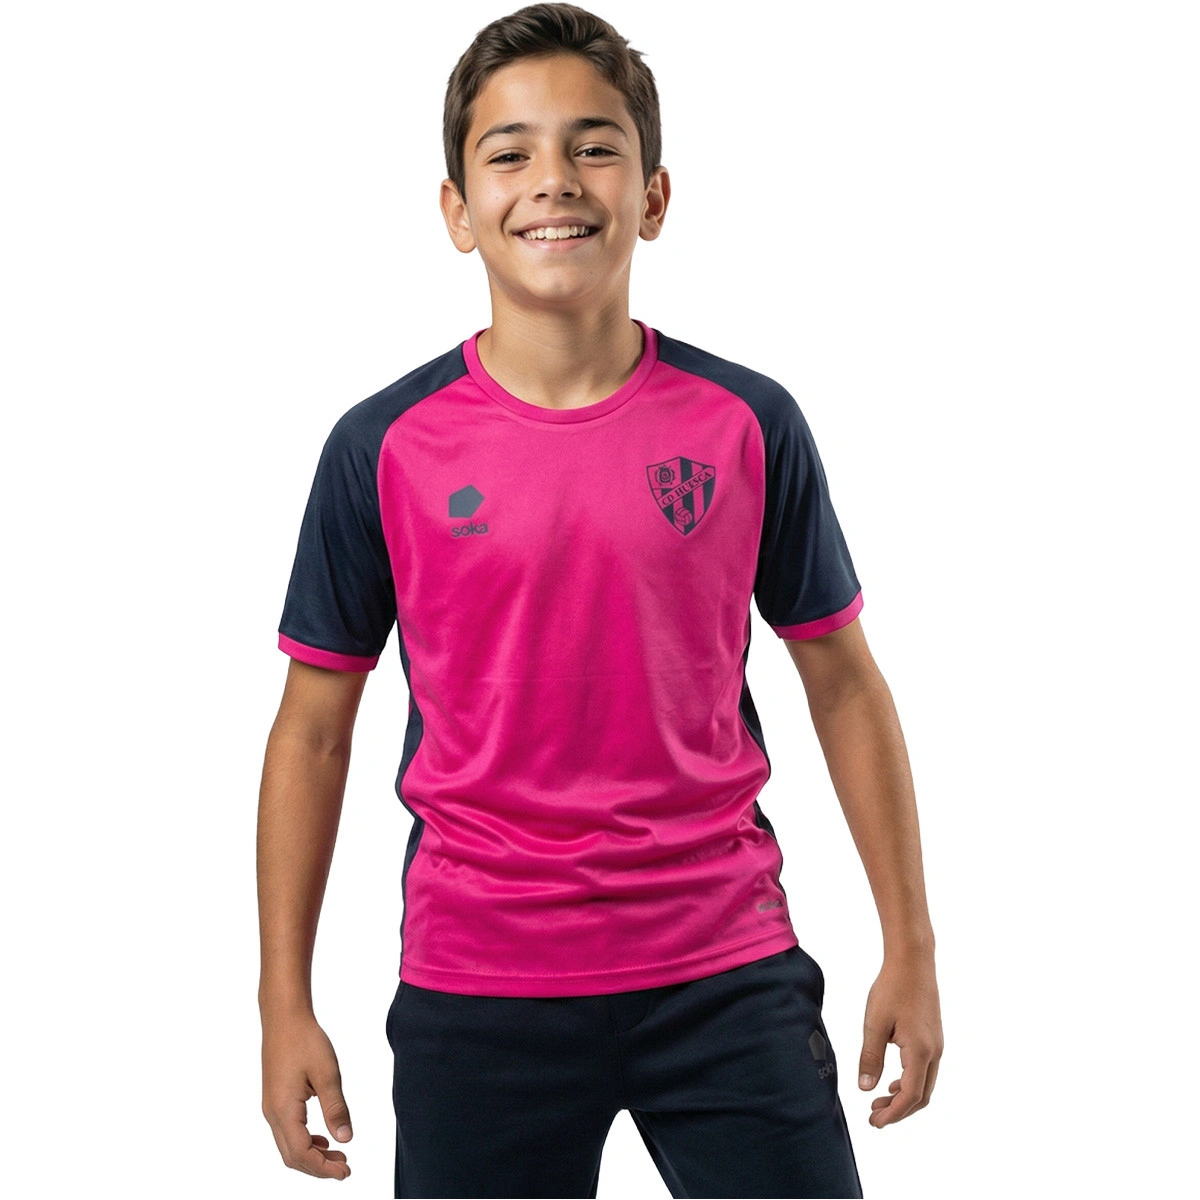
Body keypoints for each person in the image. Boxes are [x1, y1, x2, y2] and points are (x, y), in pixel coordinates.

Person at [257, 4, 942, 1196]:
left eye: (594, 145)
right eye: (509, 152)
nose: (554, 181)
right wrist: (283, 1004)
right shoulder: (382, 447)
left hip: (725, 967)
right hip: (480, 985)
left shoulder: (748, 424)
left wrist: (912, 946)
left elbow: (843, 684)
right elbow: (313, 730)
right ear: (456, 210)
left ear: (655, 196)